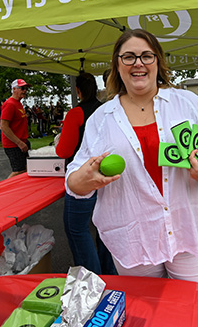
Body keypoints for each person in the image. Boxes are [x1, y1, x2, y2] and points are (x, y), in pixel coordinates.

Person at [66, 29, 198, 285]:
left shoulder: (187, 103)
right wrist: (87, 179)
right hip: (133, 242)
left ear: (158, 62)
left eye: (147, 56)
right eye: (129, 57)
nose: (138, 63)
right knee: (149, 315)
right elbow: (74, 181)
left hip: (189, 234)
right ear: (117, 65)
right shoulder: (101, 119)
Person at [56, 72, 116, 275]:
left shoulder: (76, 113)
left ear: (78, 91)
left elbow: (64, 151)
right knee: (104, 227)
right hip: (109, 175)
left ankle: (92, 278)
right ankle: (110, 274)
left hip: (84, 177)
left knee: (77, 229)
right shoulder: (107, 110)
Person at [0, 79, 31, 178]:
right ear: (14, 89)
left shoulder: (18, 103)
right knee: (18, 171)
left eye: (25, 88)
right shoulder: (10, 104)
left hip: (22, 141)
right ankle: (4, 190)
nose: (24, 90)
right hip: (13, 145)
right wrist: (19, 143)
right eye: (22, 88)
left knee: (27, 169)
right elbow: (3, 126)